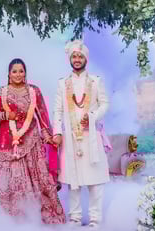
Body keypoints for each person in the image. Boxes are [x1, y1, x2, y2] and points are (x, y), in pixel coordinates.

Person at [0, 58, 66, 224]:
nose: (18, 74)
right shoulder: (1, 92)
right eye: (14, 71)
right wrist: (5, 115)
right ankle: (1, 220)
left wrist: (48, 136)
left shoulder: (34, 91)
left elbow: (43, 117)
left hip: (31, 143)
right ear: (9, 74)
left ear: (25, 73)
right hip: (4, 144)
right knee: (1, 185)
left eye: (21, 71)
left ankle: (30, 219)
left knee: (38, 182)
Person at [53, 40, 110, 228]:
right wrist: (57, 133)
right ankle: (75, 219)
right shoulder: (63, 83)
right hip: (70, 138)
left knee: (95, 181)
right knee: (73, 180)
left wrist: (93, 116)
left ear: (86, 59)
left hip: (91, 136)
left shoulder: (96, 81)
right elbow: (57, 111)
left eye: (80, 56)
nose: (77, 60)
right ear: (70, 59)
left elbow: (105, 104)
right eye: (74, 57)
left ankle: (95, 220)